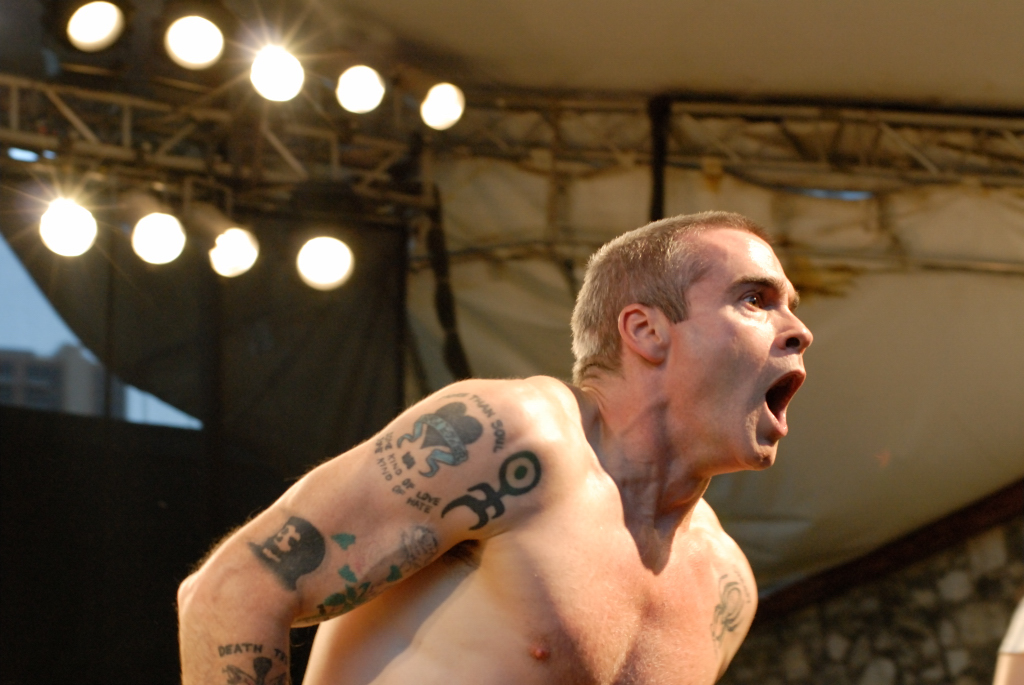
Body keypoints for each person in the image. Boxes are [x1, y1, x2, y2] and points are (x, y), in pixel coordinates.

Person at [178, 210, 813, 685]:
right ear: (646, 331)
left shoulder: (726, 588)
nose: (800, 331)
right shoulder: (515, 436)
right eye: (755, 299)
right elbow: (233, 592)